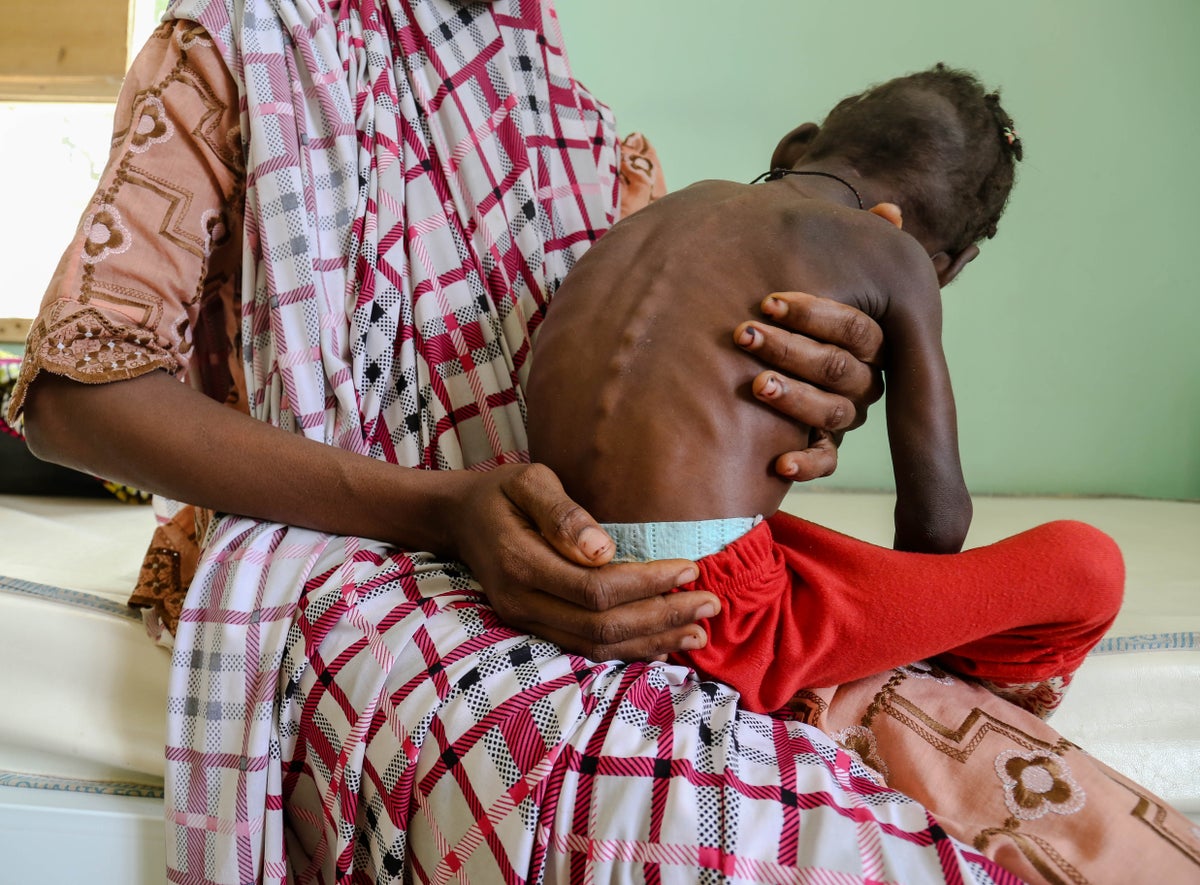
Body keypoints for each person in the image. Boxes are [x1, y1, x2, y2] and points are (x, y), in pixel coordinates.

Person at [9, 3, 1198, 883]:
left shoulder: (554, 102)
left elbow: (658, 400)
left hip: (636, 568)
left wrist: (821, 391)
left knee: (1031, 800)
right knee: (724, 818)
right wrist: (445, 510)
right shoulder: (240, 47)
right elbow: (74, 395)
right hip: (373, 558)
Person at [525, 65, 1122, 717]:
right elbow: (937, 525)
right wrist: (911, 606)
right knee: (1087, 565)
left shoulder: (676, 205)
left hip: (549, 546)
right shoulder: (895, 255)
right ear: (950, 262)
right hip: (713, 620)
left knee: (791, 542)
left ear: (793, 147)